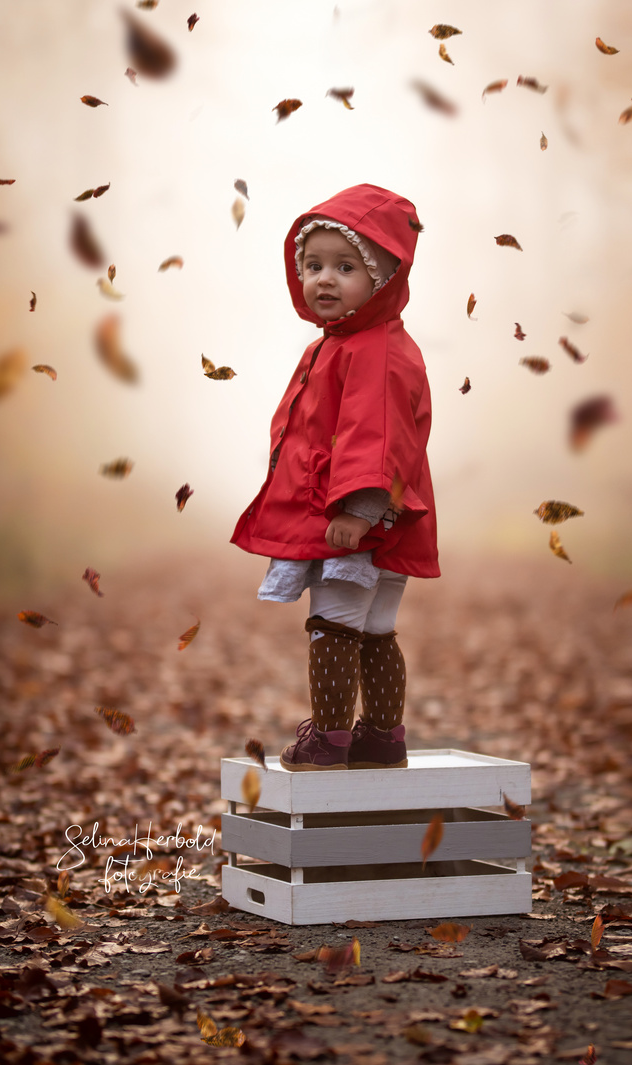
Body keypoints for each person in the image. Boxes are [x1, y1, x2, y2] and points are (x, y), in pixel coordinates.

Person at [231, 184, 439, 771]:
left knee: (335, 622)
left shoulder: (372, 350)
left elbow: (376, 435)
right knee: (374, 628)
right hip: (379, 518)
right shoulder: (348, 343)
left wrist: (361, 509)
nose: (324, 279)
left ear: (384, 278)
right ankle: (380, 738)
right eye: (313, 266)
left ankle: (330, 739)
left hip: (358, 518)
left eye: (346, 267)